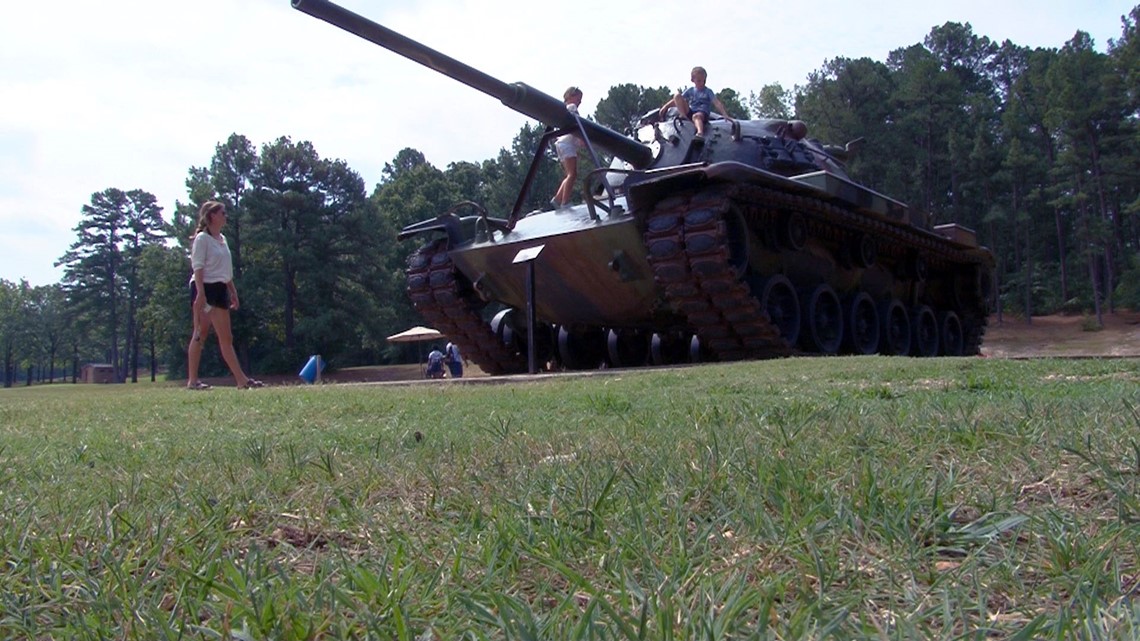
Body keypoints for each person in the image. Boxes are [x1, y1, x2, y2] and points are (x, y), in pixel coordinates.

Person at [186, 200, 264, 390]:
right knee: (203, 334)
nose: (226, 216)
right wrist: (201, 295)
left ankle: (236, 380)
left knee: (220, 336)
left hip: (220, 288)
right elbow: (198, 267)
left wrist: (232, 291)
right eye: (223, 213)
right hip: (204, 287)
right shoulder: (202, 239)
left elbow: (225, 269)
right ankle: (239, 380)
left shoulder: (222, 238)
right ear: (212, 216)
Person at [658, 67, 733, 139]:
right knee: (677, 95)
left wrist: (725, 114)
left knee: (696, 116)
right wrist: (665, 107)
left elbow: (716, 103)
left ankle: (700, 133)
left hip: (702, 113)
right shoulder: (691, 90)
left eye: (703, 81)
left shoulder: (708, 91)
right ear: (693, 80)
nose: (702, 83)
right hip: (691, 111)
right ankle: (683, 116)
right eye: (699, 81)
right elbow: (676, 100)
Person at [550, 86, 584, 210]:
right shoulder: (572, 108)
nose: (579, 101)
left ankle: (557, 199)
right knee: (572, 174)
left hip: (562, 144)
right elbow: (576, 126)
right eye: (578, 98)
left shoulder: (564, 109)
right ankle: (565, 202)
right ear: (570, 96)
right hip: (567, 143)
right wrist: (581, 138)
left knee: (569, 174)